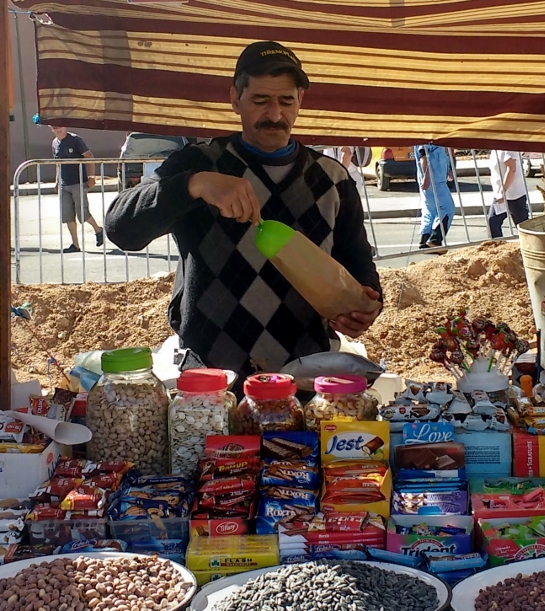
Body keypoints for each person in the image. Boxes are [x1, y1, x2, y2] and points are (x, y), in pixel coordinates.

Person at [106, 41, 381, 376]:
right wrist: (195, 185)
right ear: (235, 99)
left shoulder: (333, 179)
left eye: (286, 101)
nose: (275, 115)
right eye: (261, 101)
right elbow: (121, 227)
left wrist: (365, 305)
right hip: (211, 380)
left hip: (305, 377)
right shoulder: (199, 163)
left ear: (301, 101)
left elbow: (357, 263)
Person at [50, 125, 104, 253]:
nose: (58, 129)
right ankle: (75, 244)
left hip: (78, 182)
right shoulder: (54, 143)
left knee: (83, 213)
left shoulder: (75, 140)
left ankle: (98, 230)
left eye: (60, 126)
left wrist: (91, 176)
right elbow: (57, 163)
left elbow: (89, 156)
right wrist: (57, 181)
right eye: (54, 127)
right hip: (64, 184)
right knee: (68, 216)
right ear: (51, 129)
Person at [416, 143, 455, 252]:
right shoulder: (428, 137)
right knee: (448, 208)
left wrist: (450, 168)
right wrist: (426, 176)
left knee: (430, 211)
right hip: (435, 181)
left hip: (434, 179)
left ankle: (424, 241)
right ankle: (435, 241)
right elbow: (423, 155)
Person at [487, 150, 530, 239]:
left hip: (513, 195)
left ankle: (533, 247)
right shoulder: (496, 149)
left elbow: (511, 169)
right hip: (501, 195)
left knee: (523, 226)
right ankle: (497, 247)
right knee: (493, 222)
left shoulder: (507, 149)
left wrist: (503, 191)